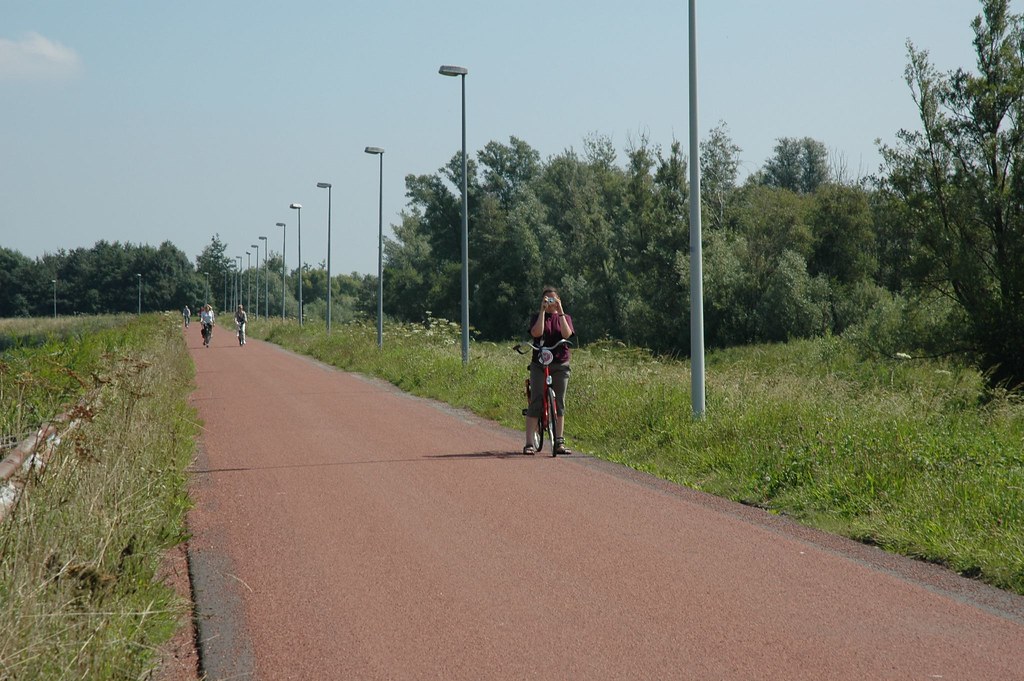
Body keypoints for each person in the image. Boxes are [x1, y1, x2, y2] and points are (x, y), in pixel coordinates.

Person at [523, 287, 575, 455]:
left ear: (559, 300)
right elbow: (536, 333)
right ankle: (529, 443)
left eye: (553, 300)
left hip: (560, 363)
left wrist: (560, 311)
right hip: (540, 362)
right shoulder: (537, 317)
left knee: (559, 401)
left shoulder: (564, 317)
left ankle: (559, 441)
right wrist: (542, 311)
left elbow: (566, 334)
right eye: (547, 300)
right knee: (537, 399)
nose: (550, 303)